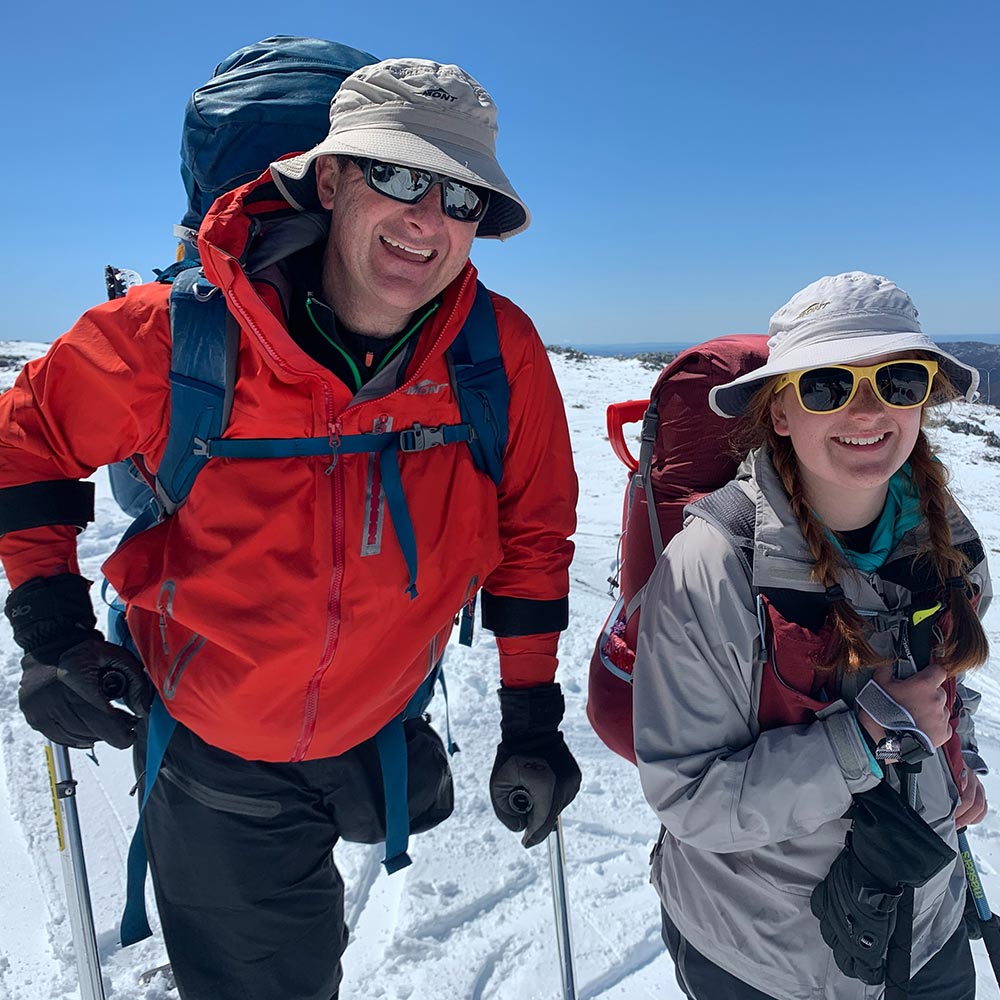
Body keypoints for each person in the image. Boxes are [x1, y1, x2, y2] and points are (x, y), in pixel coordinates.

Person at [0, 58, 580, 1000]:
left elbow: (533, 539)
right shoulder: (176, 336)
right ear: (332, 176)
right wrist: (51, 626)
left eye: (463, 196)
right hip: (218, 740)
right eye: (396, 174)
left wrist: (530, 716)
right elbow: (27, 439)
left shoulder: (495, 352)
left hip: (381, 714)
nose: (427, 218)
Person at [633, 271, 989, 1000]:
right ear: (782, 413)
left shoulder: (948, 537)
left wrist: (959, 756)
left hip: (926, 930)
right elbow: (688, 797)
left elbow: (942, 682)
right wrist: (864, 739)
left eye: (898, 380)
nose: (869, 410)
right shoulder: (710, 566)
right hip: (763, 959)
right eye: (827, 386)